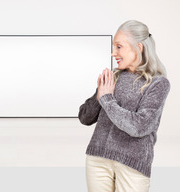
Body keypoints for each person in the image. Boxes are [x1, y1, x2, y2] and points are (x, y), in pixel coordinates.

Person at [78, 20, 170, 192]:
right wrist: (99, 96)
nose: (114, 53)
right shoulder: (113, 76)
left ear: (139, 47)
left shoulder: (159, 83)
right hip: (98, 160)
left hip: (132, 165)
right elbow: (85, 117)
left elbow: (140, 126)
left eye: (119, 47)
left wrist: (106, 98)